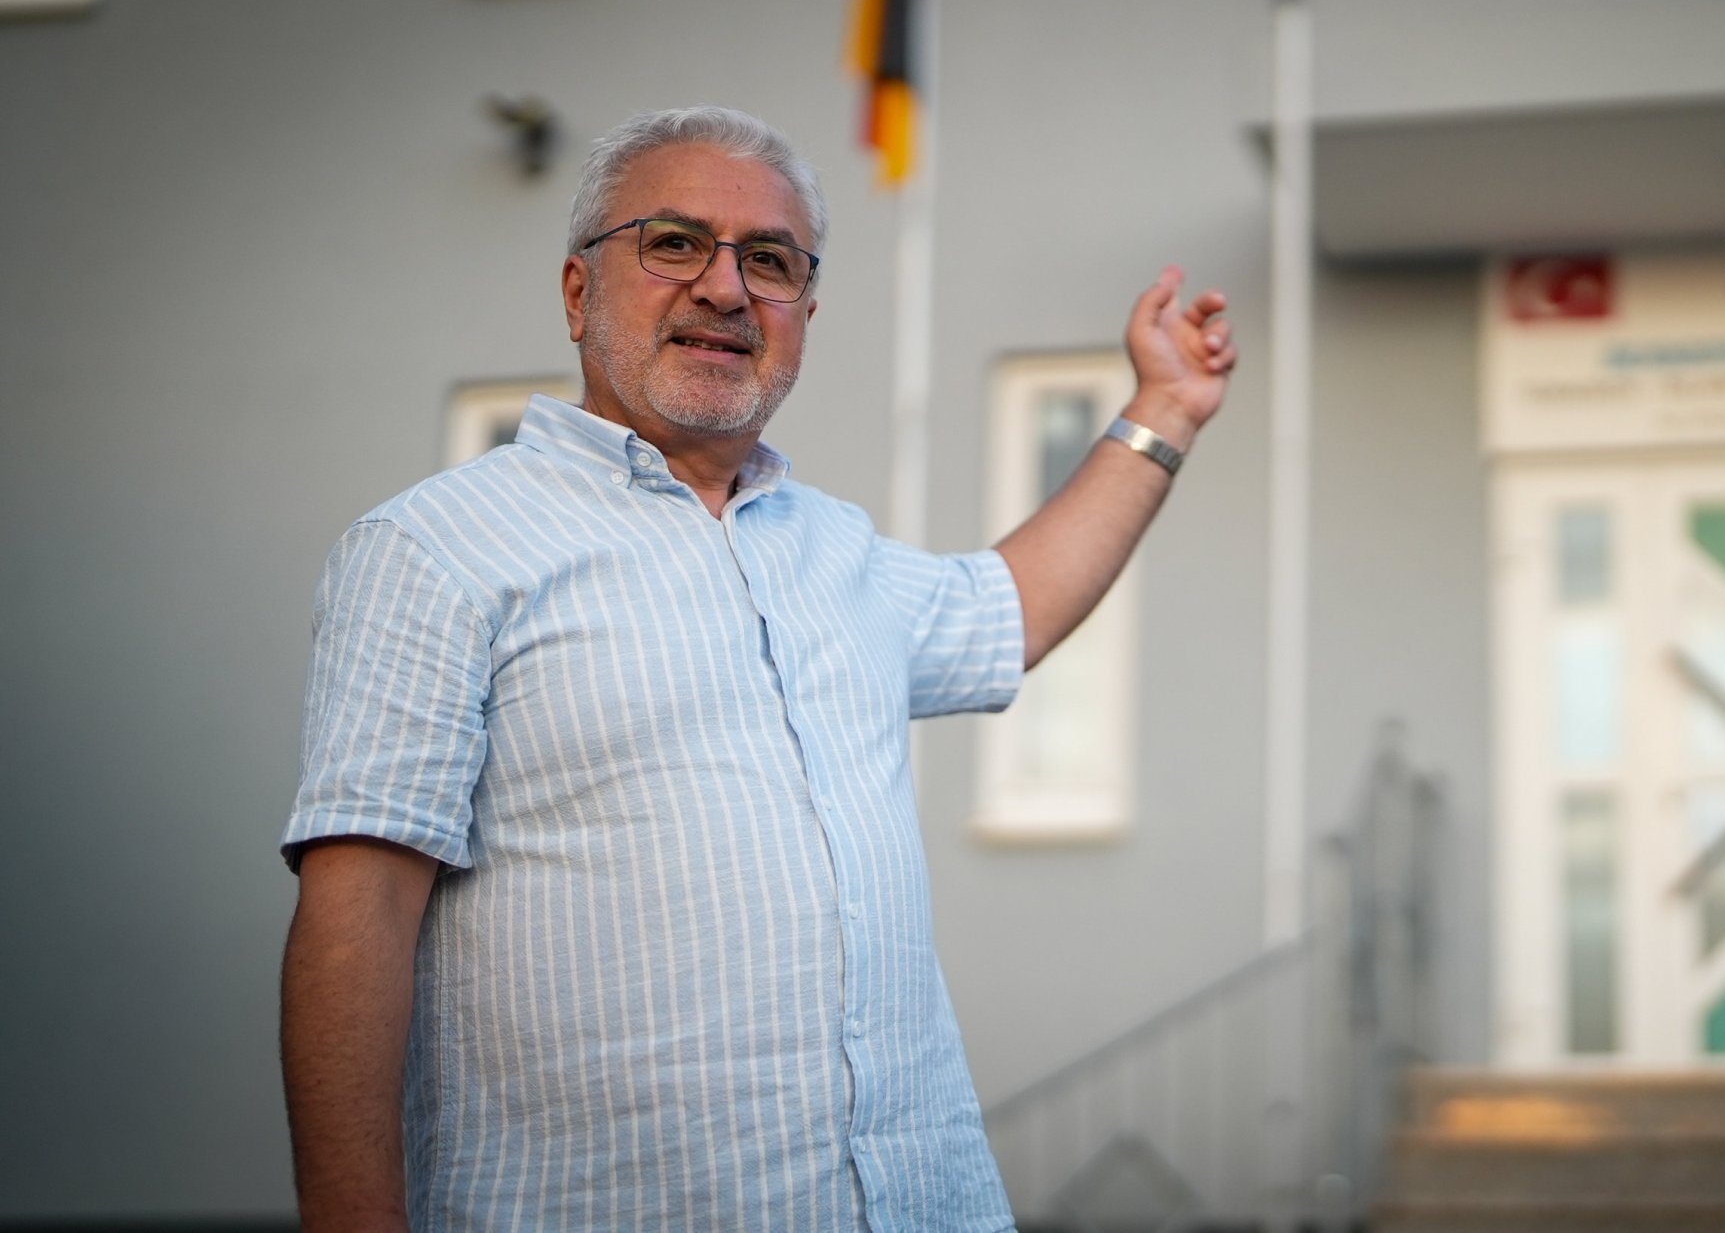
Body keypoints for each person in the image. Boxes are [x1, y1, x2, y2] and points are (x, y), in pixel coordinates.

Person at [277, 105, 1235, 1231]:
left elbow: (1008, 610)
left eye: (770, 261)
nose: (727, 289)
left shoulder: (835, 548)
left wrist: (1163, 408)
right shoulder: (438, 548)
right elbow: (360, 917)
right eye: (675, 242)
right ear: (580, 292)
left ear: (804, 315)